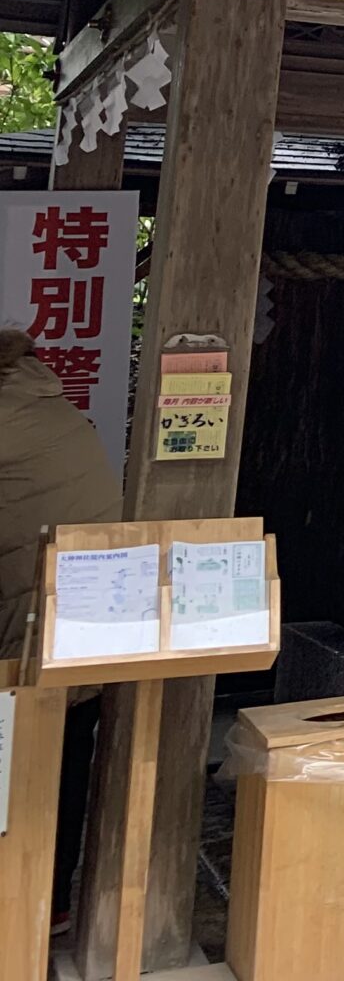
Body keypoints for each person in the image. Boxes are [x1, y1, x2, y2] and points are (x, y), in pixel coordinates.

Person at [0, 324, 123, 927]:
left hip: (32, 625)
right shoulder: (48, 405)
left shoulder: (6, 418)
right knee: (68, 752)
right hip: (88, 617)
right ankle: (53, 901)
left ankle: (22, 902)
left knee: (28, 763)